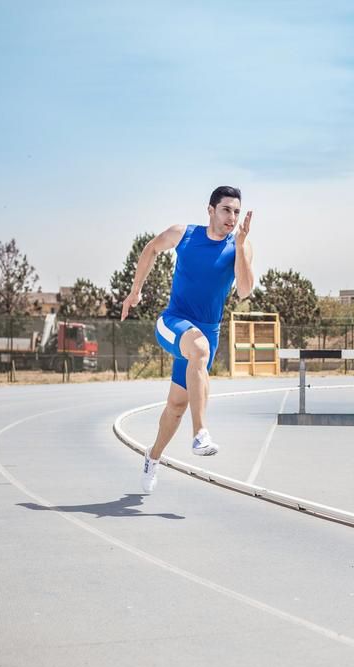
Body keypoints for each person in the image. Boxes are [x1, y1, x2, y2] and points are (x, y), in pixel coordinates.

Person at [121, 186, 254, 492]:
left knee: (177, 405)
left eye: (236, 211)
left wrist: (242, 246)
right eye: (226, 210)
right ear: (211, 210)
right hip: (173, 322)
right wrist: (135, 291)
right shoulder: (183, 234)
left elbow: (245, 291)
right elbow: (151, 248)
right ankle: (200, 433)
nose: (232, 217)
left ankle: (153, 456)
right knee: (199, 349)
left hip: (208, 331)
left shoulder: (240, 245)